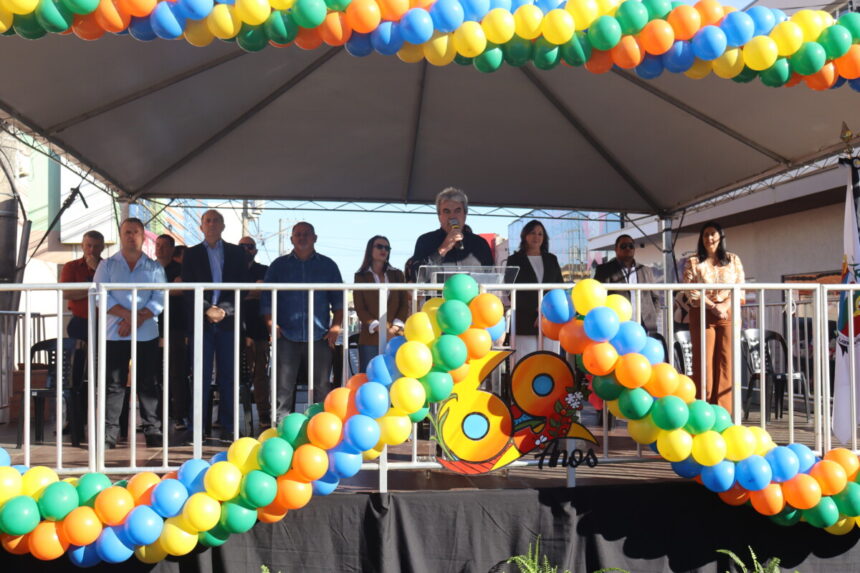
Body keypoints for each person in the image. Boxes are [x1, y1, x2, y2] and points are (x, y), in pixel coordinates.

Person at [93, 218, 165, 448]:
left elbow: (160, 298)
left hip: (146, 333)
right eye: (126, 232)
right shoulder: (107, 265)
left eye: (135, 232)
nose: (130, 236)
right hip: (115, 333)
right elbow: (99, 295)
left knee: (148, 383)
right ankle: (109, 434)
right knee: (113, 384)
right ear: (120, 235)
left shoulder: (154, 267)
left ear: (143, 236)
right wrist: (126, 316)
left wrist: (135, 319)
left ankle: (153, 430)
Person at [261, 222, 343, 421]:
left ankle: (322, 425)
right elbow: (266, 298)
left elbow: (339, 299)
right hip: (287, 335)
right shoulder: (278, 265)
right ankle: (280, 427)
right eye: (298, 234)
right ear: (291, 239)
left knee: (322, 385)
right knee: (283, 385)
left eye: (306, 234)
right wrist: (271, 324)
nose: (302, 237)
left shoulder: (328, 265)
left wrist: (335, 326)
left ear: (315, 238)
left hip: (320, 335)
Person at [181, 209, 249, 436]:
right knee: (199, 375)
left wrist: (224, 310)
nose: (211, 224)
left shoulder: (236, 253)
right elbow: (188, 288)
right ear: (201, 227)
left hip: (228, 322)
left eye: (216, 220)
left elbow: (243, 286)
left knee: (229, 375)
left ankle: (229, 426)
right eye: (207, 221)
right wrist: (206, 309)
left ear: (223, 226)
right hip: (202, 322)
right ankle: (196, 427)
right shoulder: (191, 254)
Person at [683, 221, 745, 413]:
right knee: (704, 362)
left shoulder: (733, 259)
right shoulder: (693, 261)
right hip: (702, 313)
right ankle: (704, 410)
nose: (709, 238)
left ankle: (724, 412)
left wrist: (725, 305)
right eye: (705, 235)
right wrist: (712, 306)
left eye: (713, 234)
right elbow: (690, 291)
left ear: (721, 236)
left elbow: (739, 287)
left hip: (728, 313)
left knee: (727, 362)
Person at [506, 220, 564, 358]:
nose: (536, 237)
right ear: (525, 235)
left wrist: (545, 311)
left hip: (550, 320)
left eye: (540, 234)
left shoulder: (552, 259)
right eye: (532, 233)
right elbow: (509, 291)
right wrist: (536, 310)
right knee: (525, 362)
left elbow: (559, 288)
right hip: (525, 320)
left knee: (550, 361)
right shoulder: (514, 260)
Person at [354, 236, 409, 372]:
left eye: (387, 247)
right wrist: (381, 329)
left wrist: (394, 329)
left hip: (396, 336)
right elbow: (360, 308)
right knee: (369, 376)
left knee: (395, 375)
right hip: (370, 338)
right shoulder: (360, 276)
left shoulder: (397, 274)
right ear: (370, 250)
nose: (384, 250)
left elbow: (404, 304)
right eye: (379, 246)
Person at [410, 187, 494, 274]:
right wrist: (443, 249)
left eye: (457, 211)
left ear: (465, 214)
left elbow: (492, 278)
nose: (452, 216)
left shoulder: (480, 244)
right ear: (439, 216)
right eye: (446, 211)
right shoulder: (425, 241)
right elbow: (416, 276)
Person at [593, 234, 660, 334]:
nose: (627, 248)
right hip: (617, 325)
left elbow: (655, 297)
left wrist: (653, 314)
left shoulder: (645, 270)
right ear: (616, 249)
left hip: (645, 325)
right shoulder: (604, 270)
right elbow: (597, 297)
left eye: (631, 246)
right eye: (623, 246)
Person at [155, 234, 188, 431]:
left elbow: (181, 289)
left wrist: (158, 290)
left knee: (178, 372)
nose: (160, 249)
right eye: (158, 245)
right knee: (154, 374)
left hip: (176, 326)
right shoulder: (149, 268)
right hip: (152, 325)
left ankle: (179, 415)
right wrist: (169, 288)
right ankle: (157, 416)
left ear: (171, 248)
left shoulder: (180, 268)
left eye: (164, 246)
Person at [238, 236, 271, 431]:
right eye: (241, 246)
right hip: (235, 330)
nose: (245, 250)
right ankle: (231, 416)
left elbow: (261, 291)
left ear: (255, 250)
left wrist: (242, 292)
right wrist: (250, 291)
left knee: (260, 375)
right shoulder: (232, 270)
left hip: (258, 330)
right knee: (234, 375)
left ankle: (264, 415)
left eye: (249, 246)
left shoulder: (263, 269)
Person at [60, 230, 105, 341]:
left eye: (96, 246)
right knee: (78, 356)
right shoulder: (71, 266)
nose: (92, 250)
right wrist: (96, 288)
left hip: (105, 320)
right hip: (80, 321)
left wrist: (97, 269)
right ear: (82, 246)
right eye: (88, 245)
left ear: (102, 248)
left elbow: (115, 290)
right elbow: (66, 293)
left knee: (104, 357)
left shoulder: (108, 266)